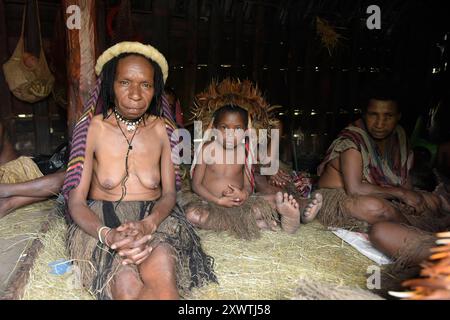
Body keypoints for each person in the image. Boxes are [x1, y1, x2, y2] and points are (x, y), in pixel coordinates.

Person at [62, 41, 216, 300]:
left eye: (145, 84)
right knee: (125, 287)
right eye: (125, 82)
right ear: (111, 85)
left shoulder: (162, 131)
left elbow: (169, 194)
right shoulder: (92, 129)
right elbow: (76, 201)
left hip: (155, 218)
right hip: (102, 222)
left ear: (155, 89)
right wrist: (108, 235)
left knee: (164, 282)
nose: (135, 94)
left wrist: (149, 225)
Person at [180, 79, 322, 240]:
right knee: (192, 215)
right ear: (214, 128)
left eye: (237, 129)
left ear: (246, 131)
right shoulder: (206, 150)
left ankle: (288, 216)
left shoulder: (244, 152)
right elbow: (196, 184)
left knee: (273, 200)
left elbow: (248, 184)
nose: (230, 134)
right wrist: (218, 201)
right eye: (224, 128)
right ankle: (256, 224)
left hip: (239, 204)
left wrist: (244, 194)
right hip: (211, 204)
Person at [315, 80, 450, 234]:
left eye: (388, 116)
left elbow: (403, 180)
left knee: (430, 202)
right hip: (342, 196)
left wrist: (411, 197)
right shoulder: (352, 142)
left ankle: (418, 226)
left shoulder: (398, 136)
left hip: (381, 193)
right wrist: (402, 194)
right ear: (364, 114)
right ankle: (418, 235)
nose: (380, 123)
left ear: (398, 116)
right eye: (374, 115)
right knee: (378, 208)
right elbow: (355, 189)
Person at [0, 120, 65, 218]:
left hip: (23, 171)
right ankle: (7, 197)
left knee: (66, 174)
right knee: (67, 177)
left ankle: (7, 194)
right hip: (23, 174)